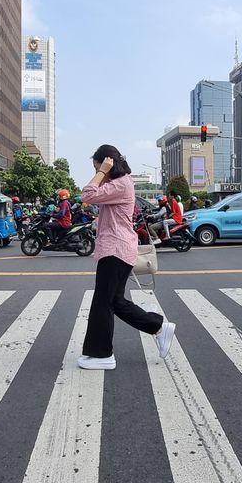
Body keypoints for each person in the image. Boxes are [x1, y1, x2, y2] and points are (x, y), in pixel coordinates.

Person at [78, 144, 175, 370]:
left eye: (98, 167)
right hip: (117, 248)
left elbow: (87, 195)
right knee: (113, 301)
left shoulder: (120, 184)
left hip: (116, 249)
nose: (97, 174)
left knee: (104, 302)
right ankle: (158, 327)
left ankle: (103, 354)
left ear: (108, 163)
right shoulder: (119, 184)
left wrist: (101, 172)